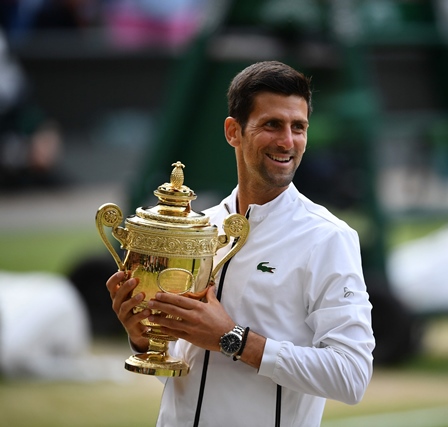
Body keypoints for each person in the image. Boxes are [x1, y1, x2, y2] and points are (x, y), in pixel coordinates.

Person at [105, 60, 375, 426]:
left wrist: (234, 340)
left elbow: (351, 376)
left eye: (299, 127)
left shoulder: (329, 237)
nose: (287, 141)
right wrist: (143, 336)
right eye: (272, 125)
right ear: (234, 131)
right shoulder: (201, 227)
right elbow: (188, 358)